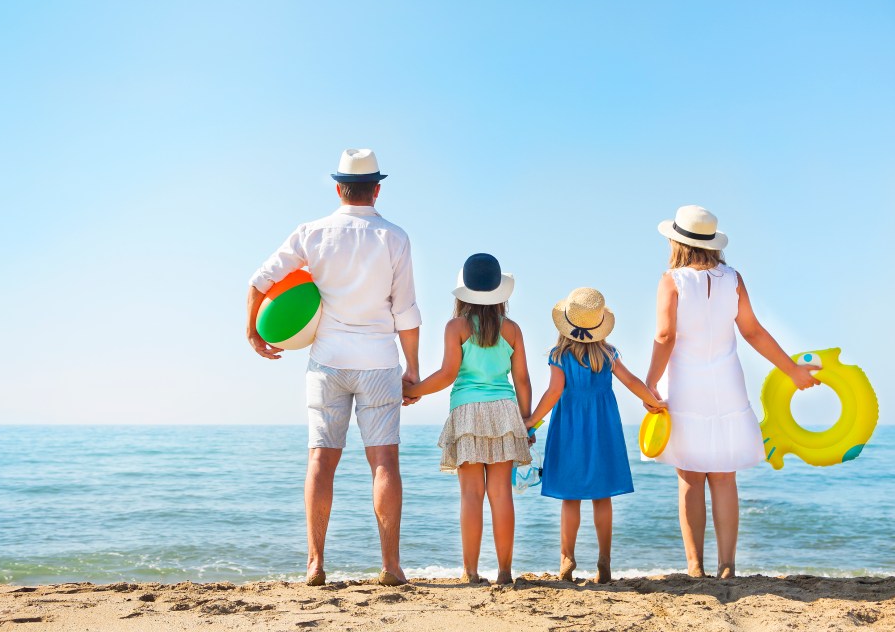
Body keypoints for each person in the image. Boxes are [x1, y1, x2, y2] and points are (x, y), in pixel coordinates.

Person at [246, 149, 421, 587]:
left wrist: (253, 333)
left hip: (327, 362)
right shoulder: (395, 237)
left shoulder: (312, 232)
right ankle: (391, 566)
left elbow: (259, 280)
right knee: (384, 461)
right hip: (379, 361)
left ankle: (315, 563)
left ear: (339, 187)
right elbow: (407, 311)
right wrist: (413, 370)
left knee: (321, 460)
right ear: (376, 189)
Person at [644, 205, 820, 579]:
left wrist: (649, 383)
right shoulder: (734, 278)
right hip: (727, 385)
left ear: (676, 243)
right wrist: (792, 371)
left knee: (690, 477)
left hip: (688, 386)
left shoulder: (671, 280)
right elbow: (753, 331)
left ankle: (695, 567)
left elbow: (665, 335)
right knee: (724, 477)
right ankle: (728, 566)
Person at [403, 253, 532, 585]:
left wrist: (415, 389)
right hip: (504, 410)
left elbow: (448, 374)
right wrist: (526, 420)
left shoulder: (456, 327)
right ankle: (505, 572)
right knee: (501, 494)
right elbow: (523, 381)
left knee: (471, 495)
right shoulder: (513, 330)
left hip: (467, 412)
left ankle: (471, 572)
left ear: (463, 294)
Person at [525, 288, 665, 584]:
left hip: (569, 428)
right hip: (604, 427)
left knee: (570, 497)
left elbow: (553, 393)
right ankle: (604, 560)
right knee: (602, 497)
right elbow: (631, 381)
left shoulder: (559, 356)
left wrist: (530, 422)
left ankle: (567, 557)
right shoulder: (608, 353)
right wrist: (653, 401)